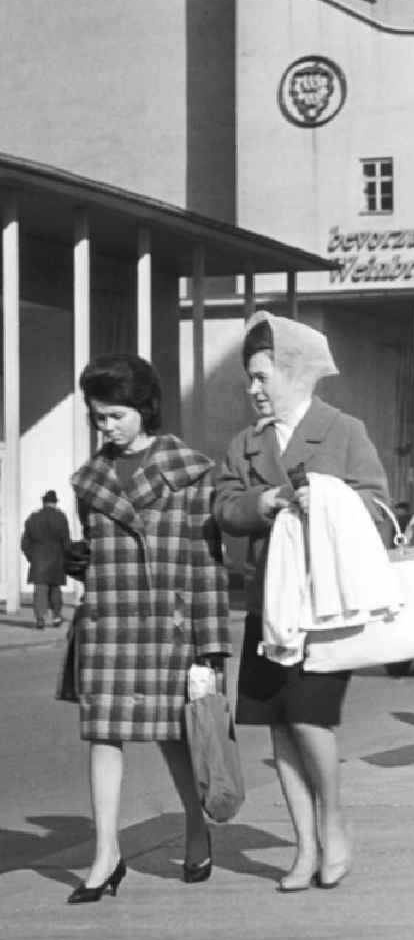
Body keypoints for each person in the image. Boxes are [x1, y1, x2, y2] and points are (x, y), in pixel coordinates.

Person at [214, 310, 389, 892]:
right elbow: (224, 507)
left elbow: (379, 511)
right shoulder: (243, 444)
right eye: (250, 378)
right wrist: (260, 505)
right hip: (269, 608)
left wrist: (331, 502)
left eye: (263, 377)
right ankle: (303, 845)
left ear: (294, 373)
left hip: (325, 610)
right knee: (277, 725)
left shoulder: (343, 430)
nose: (253, 389)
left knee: (309, 718)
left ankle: (333, 823)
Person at [67, 353, 229, 904]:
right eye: (97, 417)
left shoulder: (189, 471)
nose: (105, 427)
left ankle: (195, 823)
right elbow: (96, 551)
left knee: (175, 736)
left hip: (171, 627)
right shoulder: (89, 481)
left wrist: (211, 647)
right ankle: (106, 853)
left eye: (114, 415)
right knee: (101, 735)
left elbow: (208, 565)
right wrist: (81, 559)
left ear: (144, 408)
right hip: (108, 623)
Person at [21, 490, 71, 629]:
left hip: (39, 559)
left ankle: (40, 619)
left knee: (40, 590)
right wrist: (67, 557)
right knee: (55, 589)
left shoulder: (33, 518)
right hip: (57, 559)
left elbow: (25, 543)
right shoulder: (61, 518)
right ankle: (56, 617)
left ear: (43, 503)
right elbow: (66, 542)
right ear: (55, 503)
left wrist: (32, 557)